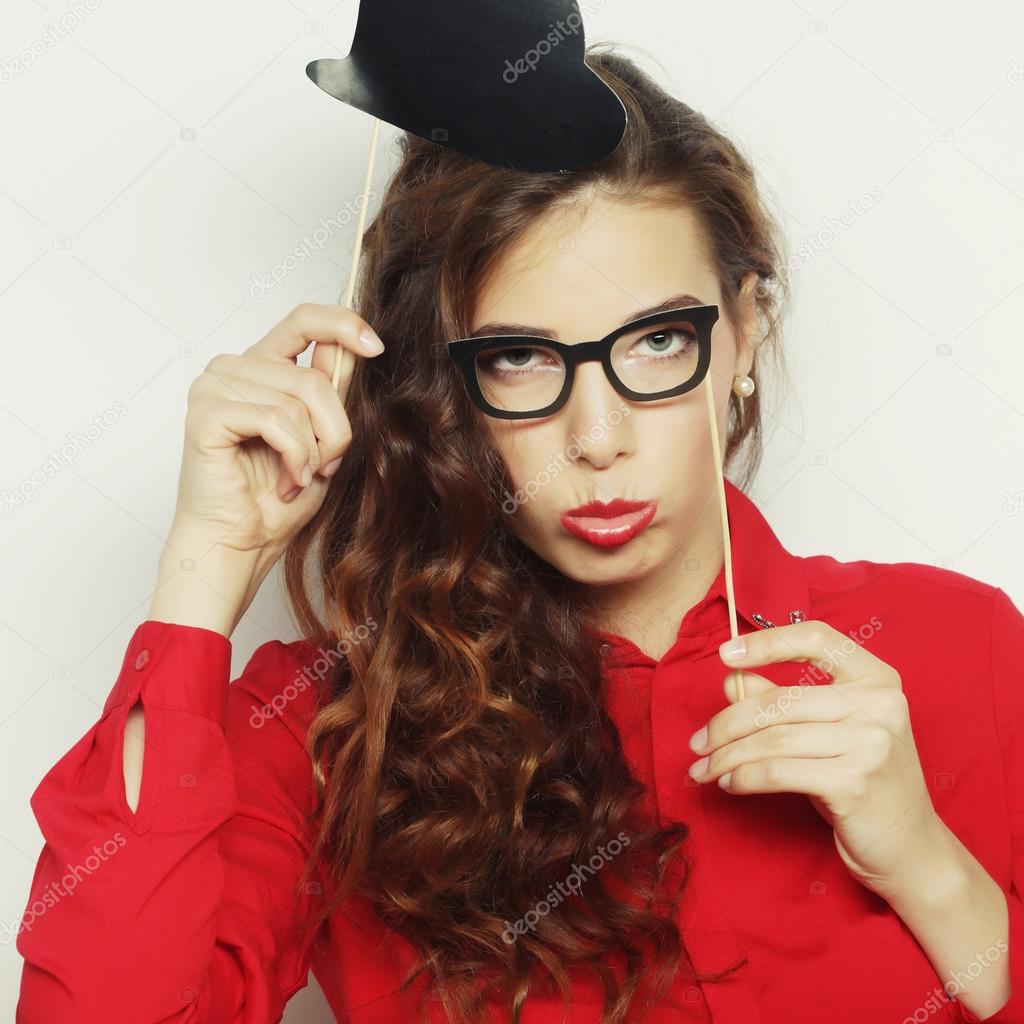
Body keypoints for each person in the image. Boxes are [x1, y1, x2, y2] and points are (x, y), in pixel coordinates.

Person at [15, 46, 1024, 1024]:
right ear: (445, 383)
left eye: (658, 340)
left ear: (744, 330)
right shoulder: (330, 728)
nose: (598, 439)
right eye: (520, 360)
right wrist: (206, 565)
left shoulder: (955, 646)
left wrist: (923, 860)